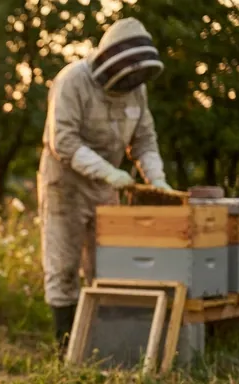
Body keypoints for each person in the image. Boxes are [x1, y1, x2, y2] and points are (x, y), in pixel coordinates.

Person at [37, 17, 173, 357]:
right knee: (64, 265)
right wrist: (110, 173)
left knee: (106, 267)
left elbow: (144, 140)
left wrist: (156, 178)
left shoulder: (137, 91)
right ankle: (65, 350)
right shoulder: (72, 81)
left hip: (106, 188)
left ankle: (99, 345)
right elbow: (62, 140)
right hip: (64, 185)